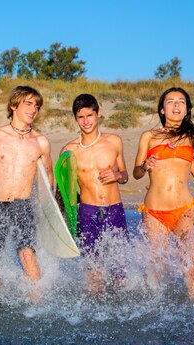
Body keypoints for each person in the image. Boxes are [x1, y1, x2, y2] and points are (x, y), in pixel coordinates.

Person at [133, 87, 194, 303]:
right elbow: (136, 173)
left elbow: (190, 162)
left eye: (181, 101)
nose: (176, 105)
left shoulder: (190, 137)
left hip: (185, 209)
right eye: (170, 101)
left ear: (186, 109)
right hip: (154, 213)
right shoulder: (149, 136)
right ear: (162, 110)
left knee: (191, 269)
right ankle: (153, 317)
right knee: (158, 269)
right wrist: (145, 165)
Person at [0, 85, 53, 293]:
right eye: (28, 103)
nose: (33, 109)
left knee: (27, 255)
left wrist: (50, 211)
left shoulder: (41, 142)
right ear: (13, 105)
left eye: (36, 105)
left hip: (23, 204)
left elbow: (48, 179)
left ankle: (38, 306)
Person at [59, 94, 129, 295]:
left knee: (119, 270)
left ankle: (118, 309)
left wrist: (116, 175)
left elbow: (125, 176)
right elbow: (64, 191)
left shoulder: (114, 141)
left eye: (90, 115)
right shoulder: (69, 151)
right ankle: (94, 311)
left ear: (98, 113)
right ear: (75, 118)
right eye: (80, 117)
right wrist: (64, 222)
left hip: (114, 210)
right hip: (87, 213)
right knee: (94, 269)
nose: (86, 121)